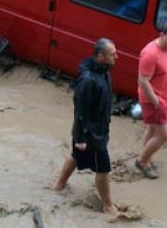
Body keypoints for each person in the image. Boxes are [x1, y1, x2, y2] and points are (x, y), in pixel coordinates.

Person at [52, 38, 120, 215]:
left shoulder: (104, 71)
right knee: (104, 168)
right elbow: (80, 110)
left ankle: (59, 186)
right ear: (100, 56)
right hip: (91, 134)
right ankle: (108, 206)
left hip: (98, 129)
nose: (117, 57)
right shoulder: (88, 80)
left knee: (76, 156)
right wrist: (81, 138)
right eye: (113, 54)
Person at [135, 21, 167, 179]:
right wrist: (157, 102)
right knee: (164, 135)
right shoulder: (150, 53)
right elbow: (143, 81)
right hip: (154, 100)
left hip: (166, 98)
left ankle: (147, 158)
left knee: (151, 130)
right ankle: (142, 161)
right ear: (162, 35)